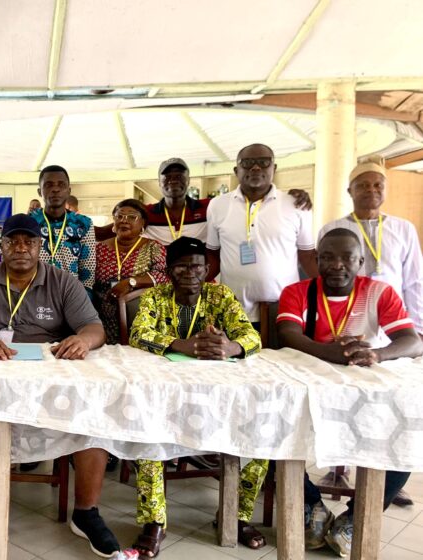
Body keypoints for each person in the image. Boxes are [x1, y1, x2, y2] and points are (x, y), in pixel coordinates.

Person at [0, 214, 117, 559]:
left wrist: (82, 340)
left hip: (51, 381)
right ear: (2, 245)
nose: (21, 248)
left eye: (29, 242)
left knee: (94, 413)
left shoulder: (62, 281)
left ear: (39, 247)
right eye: (13, 241)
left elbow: (95, 329)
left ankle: (86, 514)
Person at [277, 228, 423, 556]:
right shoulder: (297, 291)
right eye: (328, 257)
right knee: (271, 429)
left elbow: (412, 342)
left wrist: (376, 354)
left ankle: (355, 518)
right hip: (311, 387)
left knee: (407, 435)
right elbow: (288, 334)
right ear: (316, 260)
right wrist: (331, 352)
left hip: (363, 389)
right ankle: (312, 506)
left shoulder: (379, 292)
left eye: (347, 257)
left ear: (361, 261)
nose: (337, 265)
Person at [129, 237, 264, 556]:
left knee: (261, 439)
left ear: (206, 270)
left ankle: (236, 516)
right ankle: (154, 521)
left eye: (197, 267)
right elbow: (138, 333)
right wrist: (181, 345)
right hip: (166, 397)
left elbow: (251, 336)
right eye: (182, 267)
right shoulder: (155, 296)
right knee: (145, 433)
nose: (190, 273)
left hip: (218, 397)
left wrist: (230, 347)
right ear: (169, 271)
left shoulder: (221, 295)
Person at [206, 144, 318, 325]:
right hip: (234, 310)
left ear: (274, 168)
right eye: (247, 162)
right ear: (236, 170)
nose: (256, 167)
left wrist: (329, 293)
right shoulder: (218, 205)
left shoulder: (296, 205)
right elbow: (213, 254)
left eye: (264, 162)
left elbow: (308, 256)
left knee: (285, 345)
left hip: (284, 310)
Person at [319, 161, 422, 336]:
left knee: (395, 352)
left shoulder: (404, 228)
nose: (371, 190)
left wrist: (418, 328)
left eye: (377, 185)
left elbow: (415, 280)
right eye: (363, 185)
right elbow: (324, 278)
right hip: (348, 316)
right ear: (350, 191)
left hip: (394, 315)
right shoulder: (331, 229)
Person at [144, 157, 311, 247]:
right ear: (159, 182)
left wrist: (288, 198)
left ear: (188, 180)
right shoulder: (145, 213)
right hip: (159, 282)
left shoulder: (209, 206)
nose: (173, 180)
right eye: (167, 177)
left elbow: (249, 200)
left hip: (198, 281)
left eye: (179, 176)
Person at [93, 199, 167, 344]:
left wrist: (131, 282)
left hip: (142, 318)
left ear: (143, 223)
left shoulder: (153, 247)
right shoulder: (99, 248)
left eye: (132, 217)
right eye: (119, 216)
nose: (124, 221)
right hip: (103, 318)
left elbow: (162, 276)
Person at [29, 165, 96, 297]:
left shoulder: (83, 223)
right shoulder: (28, 222)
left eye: (61, 184)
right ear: (40, 191)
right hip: (33, 294)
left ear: (69, 190)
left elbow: (88, 269)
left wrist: (81, 300)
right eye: (48, 185)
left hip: (71, 294)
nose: (55, 189)